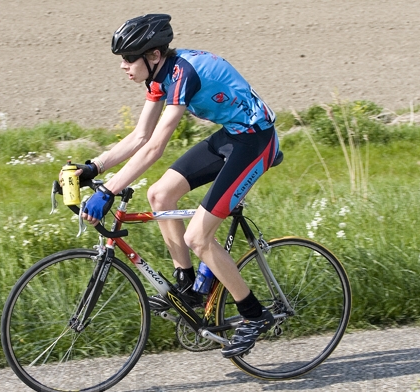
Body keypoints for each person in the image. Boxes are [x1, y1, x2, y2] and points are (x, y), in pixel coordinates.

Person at [70, 13, 281, 358]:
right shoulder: (158, 77)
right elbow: (139, 136)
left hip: (256, 143)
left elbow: (155, 146)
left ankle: (255, 315)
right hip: (231, 136)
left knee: (198, 236)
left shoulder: (183, 73)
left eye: (127, 58)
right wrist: (94, 167)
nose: (123, 66)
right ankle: (188, 285)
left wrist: (109, 191)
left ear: (153, 55)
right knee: (160, 194)